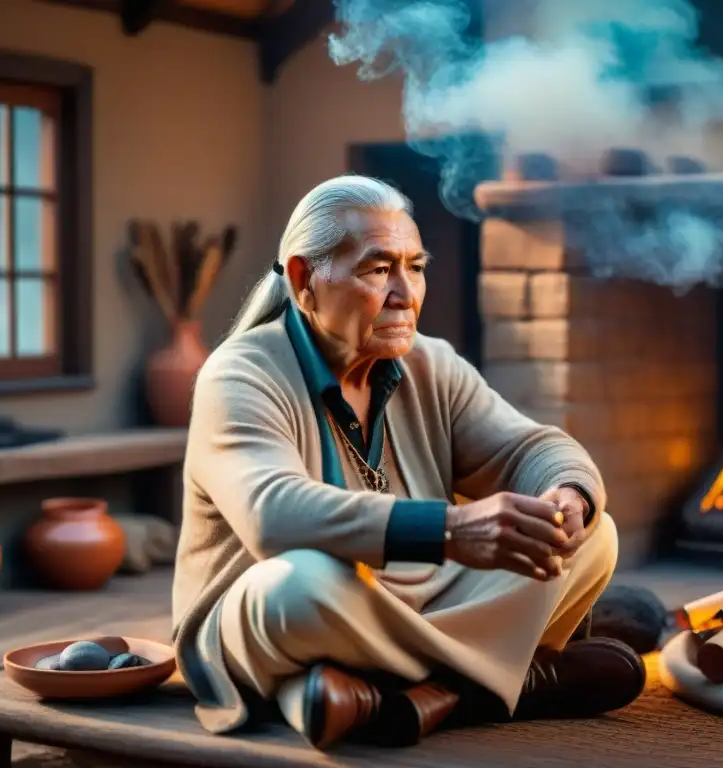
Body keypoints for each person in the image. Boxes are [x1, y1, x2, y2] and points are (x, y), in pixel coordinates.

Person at [171, 175, 644, 751]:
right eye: (378, 270)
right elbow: (271, 515)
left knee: (594, 537)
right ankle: (515, 680)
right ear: (303, 280)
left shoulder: (431, 363)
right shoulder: (239, 374)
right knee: (295, 587)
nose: (406, 293)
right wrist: (451, 529)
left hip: (412, 601)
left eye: (415, 267)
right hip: (288, 611)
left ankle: (395, 699)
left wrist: (568, 495)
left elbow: (528, 447)